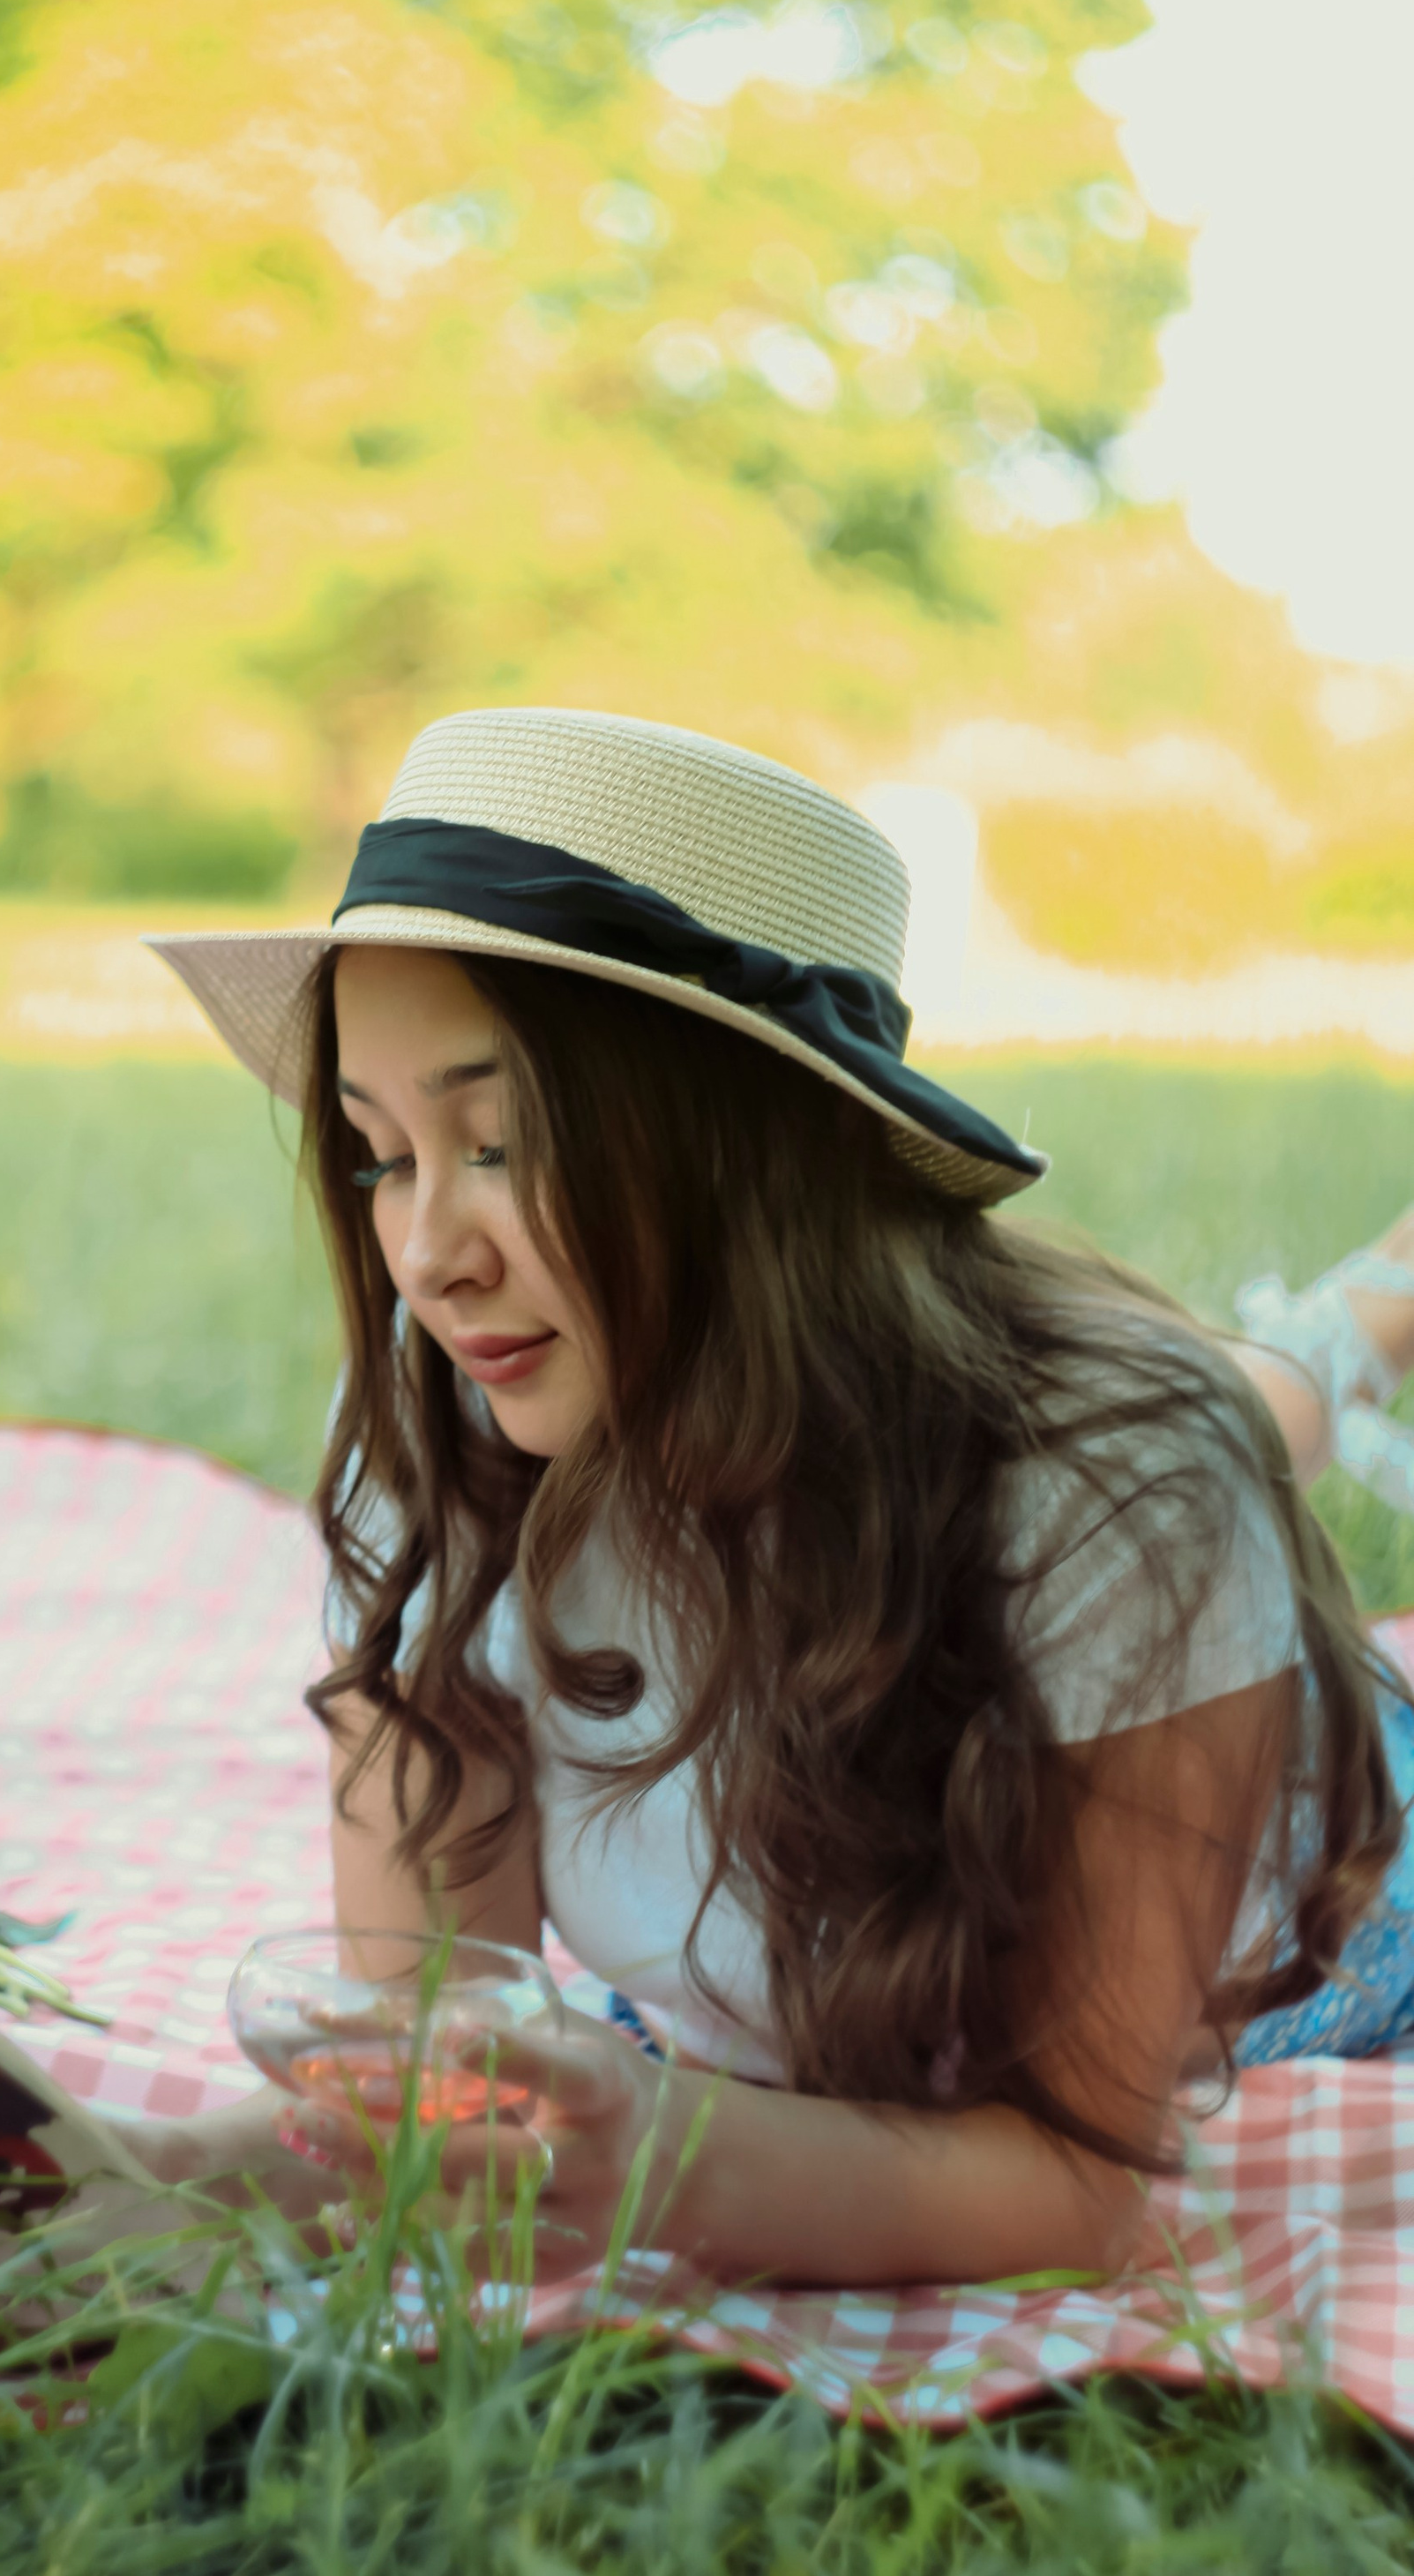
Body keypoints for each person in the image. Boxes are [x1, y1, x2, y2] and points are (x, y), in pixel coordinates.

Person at [138, 705, 1414, 2288]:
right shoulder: (444, 1415)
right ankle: (1361, 1319)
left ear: (749, 1143)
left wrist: (671, 2154)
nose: (426, 1254)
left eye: (502, 1139)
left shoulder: (1120, 1480)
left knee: (1191, 1427)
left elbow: (1073, 2181)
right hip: (935, 1506)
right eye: (381, 1153)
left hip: (1333, 1892)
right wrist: (147, 2174)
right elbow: (430, 2082)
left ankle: (1372, 1311)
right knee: (1198, 1418)